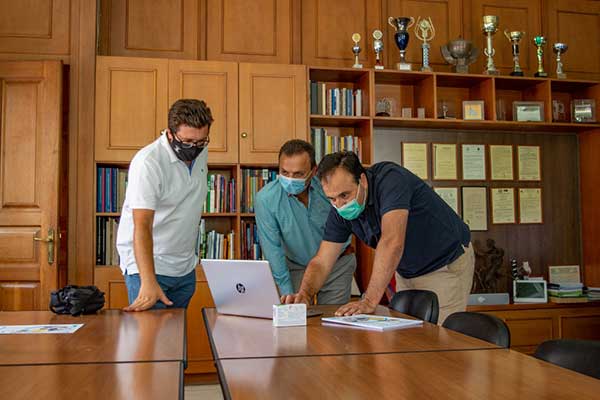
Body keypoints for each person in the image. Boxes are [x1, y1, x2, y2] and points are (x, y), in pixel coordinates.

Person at [283, 151, 474, 323]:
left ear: (363, 181)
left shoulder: (391, 181)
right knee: (409, 337)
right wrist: (305, 295)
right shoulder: (339, 210)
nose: (339, 204)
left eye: (345, 195)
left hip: (444, 264)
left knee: (439, 340)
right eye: (332, 198)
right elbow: (322, 261)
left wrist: (368, 301)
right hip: (407, 271)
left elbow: (392, 241)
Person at [116, 99, 213, 312]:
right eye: (187, 142)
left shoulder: (200, 152)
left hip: (184, 267)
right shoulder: (149, 162)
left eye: (201, 142)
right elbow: (142, 224)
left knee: (177, 333)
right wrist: (148, 281)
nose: (194, 149)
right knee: (150, 332)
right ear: (170, 134)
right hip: (150, 267)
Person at [255, 140, 356, 304]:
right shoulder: (265, 199)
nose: (290, 179)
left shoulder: (329, 189)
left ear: (313, 171)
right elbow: (273, 251)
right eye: (285, 172)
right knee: (296, 314)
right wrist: (287, 295)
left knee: (334, 317)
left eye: (298, 174)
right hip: (296, 267)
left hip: (336, 265)